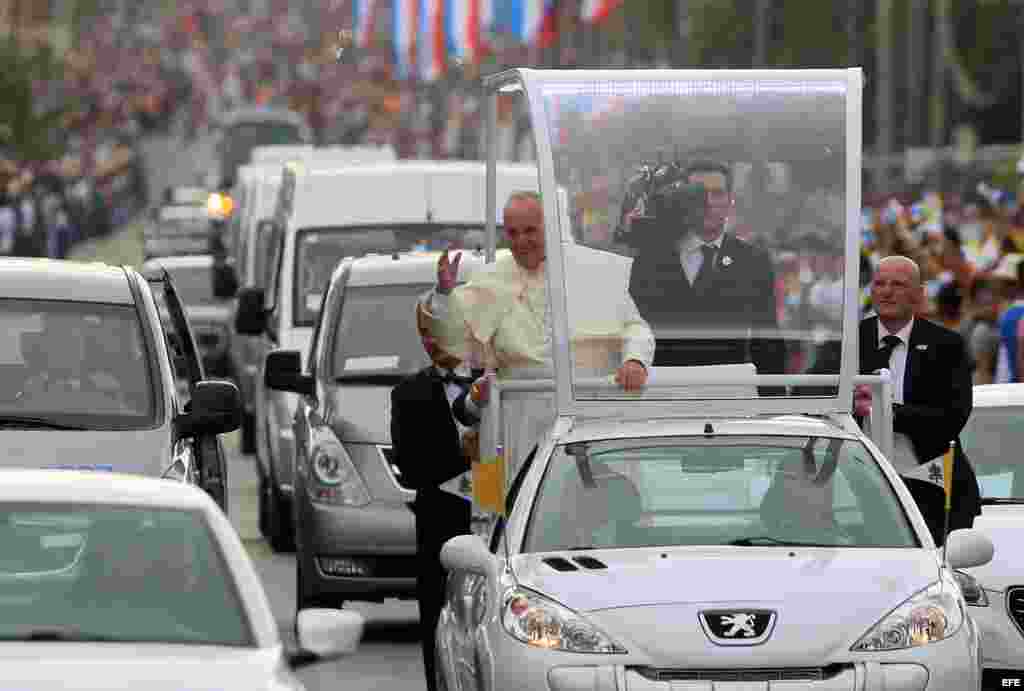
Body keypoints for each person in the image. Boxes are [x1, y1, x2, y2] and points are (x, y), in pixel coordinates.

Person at [419, 191, 654, 477]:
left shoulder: (590, 271)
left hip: (590, 419)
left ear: (550, 227)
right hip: (521, 425)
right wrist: (445, 295)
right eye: (513, 233)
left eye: (530, 231)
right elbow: (449, 344)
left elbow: (636, 327)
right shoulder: (491, 279)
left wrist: (635, 360)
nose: (521, 241)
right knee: (523, 509)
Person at [853, 255, 981, 545]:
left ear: (919, 294)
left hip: (932, 487)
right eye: (879, 284)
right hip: (860, 484)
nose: (886, 291)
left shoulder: (946, 345)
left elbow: (953, 416)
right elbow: (819, 397)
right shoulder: (848, 341)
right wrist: (853, 405)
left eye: (897, 284)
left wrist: (887, 412)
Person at [389, 311, 484, 691]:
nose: (433, 342)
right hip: (439, 524)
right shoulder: (408, 393)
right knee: (436, 617)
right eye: (425, 335)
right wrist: (460, 456)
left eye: (439, 332)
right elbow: (410, 468)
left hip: (495, 519)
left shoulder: (494, 381)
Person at [626, 160, 785, 378]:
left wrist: (773, 406)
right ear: (683, 199)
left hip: (729, 393)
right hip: (663, 392)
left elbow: (767, 341)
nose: (709, 202)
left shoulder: (753, 260)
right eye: (699, 194)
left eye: (718, 193)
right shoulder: (651, 258)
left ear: (730, 201)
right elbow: (633, 325)